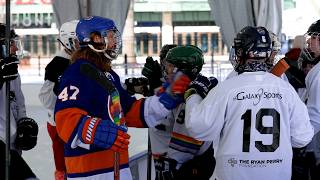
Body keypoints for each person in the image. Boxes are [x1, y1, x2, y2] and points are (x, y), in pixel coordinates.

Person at [54, 16, 192, 180]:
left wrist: (163, 100)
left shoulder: (109, 75)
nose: (114, 41)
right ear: (95, 39)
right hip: (89, 174)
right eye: (110, 36)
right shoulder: (78, 73)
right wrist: (94, 130)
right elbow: (64, 119)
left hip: (118, 167)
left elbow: (128, 111)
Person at [184, 26, 314, 180]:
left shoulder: (227, 88)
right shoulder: (286, 89)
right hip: (277, 175)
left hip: (234, 174)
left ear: (241, 52)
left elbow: (199, 127)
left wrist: (193, 96)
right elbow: (302, 137)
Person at [142, 45, 218, 180]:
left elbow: (184, 143)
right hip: (176, 165)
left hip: (184, 168)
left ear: (184, 69)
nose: (165, 70)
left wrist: (171, 167)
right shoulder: (184, 89)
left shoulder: (190, 96)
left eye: (170, 66)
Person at [38, 19, 79, 180]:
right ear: (69, 40)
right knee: (65, 168)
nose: (82, 43)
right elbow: (45, 96)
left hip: (75, 122)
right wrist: (63, 109)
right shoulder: (57, 64)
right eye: (78, 40)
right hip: (59, 125)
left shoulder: (82, 61)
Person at [0, 23, 39, 180]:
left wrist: (24, 123)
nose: (15, 49)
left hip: (11, 148)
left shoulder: (14, 75)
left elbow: (18, 105)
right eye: (11, 44)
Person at [291, 19, 320, 180]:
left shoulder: (318, 72)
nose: (309, 41)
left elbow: (315, 115)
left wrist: (299, 140)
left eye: (314, 37)